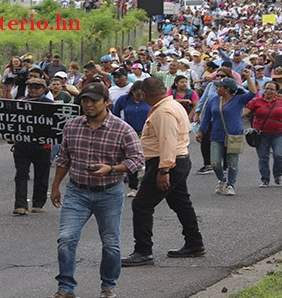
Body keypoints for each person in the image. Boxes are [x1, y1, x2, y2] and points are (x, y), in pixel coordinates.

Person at [50, 82, 144, 298]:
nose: (89, 104)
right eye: (85, 100)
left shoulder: (122, 129)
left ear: (106, 102)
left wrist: (111, 169)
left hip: (109, 192)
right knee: (66, 239)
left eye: (94, 100)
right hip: (77, 191)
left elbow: (137, 160)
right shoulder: (72, 126)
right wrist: (55, 186)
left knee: (110, 243)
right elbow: (64, 158)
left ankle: (108, 286)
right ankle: (65, 287)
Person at [122, 77, 205, 267]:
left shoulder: (164, 111)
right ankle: (194, 242)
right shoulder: (171, 105)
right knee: (181, 203)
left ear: (146, 94)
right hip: (177, 160)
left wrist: (164, 169)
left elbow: (167, 141)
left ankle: (143, 250)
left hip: (168, 162)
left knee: (142, 204)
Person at [196, 69, 258, 196]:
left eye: (219, 87)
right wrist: (201, 131)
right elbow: (207, 117)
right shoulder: (214, 100)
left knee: (232, 162)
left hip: (234, 134)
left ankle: (231, 184)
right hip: (216, 134)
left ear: (227, 89)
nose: (216, 88)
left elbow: (253, 93)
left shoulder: (239, 100)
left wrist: (248, 77)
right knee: (215, 162)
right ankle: (222, 179)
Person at [12, 77, 54, 215]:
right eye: (30, 87)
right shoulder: (19, 103)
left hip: (42, 147)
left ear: (43, 90)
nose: (33, 90)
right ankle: (20, 205)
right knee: (21, 175)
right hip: (22, 145)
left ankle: (38, 203)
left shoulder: (50, 104)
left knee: (42, 176)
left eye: (37, 87)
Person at [243, 81, 282, 187]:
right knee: (263, 158)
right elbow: (245, 111)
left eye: (272, 89)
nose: (268, 91)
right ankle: (265, 179)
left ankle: (277, 175)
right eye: (267, 88)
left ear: (277, 91)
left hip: (279, 133)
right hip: (261, 134)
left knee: (278, 155)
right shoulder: (256, 101)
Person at [112, 81, 151, 198]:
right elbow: (115, 114)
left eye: (141, 94)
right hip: (129, 133)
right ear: (132, 92)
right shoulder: (123, 100)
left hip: (147, 133)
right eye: (136, 94)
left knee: (149, 159)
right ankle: (133, 187)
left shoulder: (149, 100)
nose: (139, 96)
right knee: (132, 159)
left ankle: (147, 187)